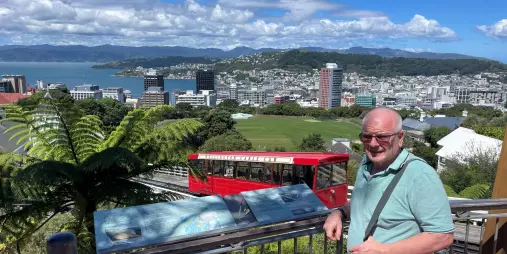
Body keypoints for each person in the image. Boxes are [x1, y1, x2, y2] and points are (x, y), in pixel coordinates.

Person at [323, 107, 454, 254]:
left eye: (382, 137)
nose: (373, 144)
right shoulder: (367, 164)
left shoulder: (420, 175)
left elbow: (443, 236)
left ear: (401, 137)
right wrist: (339, 213)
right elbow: (364, 205)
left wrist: (385, 250)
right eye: (367, 136)